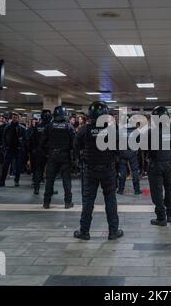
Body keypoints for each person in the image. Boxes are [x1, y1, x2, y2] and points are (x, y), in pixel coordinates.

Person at [73, 101, 123, 240]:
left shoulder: (84, 130)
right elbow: (119, 149)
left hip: (90, 170)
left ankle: (84, 231)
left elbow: (76, 147)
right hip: (108, 170)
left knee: (88, 201)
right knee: (110, 200)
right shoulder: (112, 130)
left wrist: (82, 159)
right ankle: (113, 231)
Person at [147, 106, 171, 226]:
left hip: (156, 165)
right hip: (170, 164)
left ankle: (161, 218)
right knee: (170, 189)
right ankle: (170, 214)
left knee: (157, 192)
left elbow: (148, 150)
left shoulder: (151, 132)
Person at [40, 106, 75, 209]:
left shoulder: (49, 126)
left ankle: (46, 202)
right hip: (65, 156)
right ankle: (68, 202)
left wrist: (47, 153)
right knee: (66, 180)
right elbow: (74, 143)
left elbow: (42, 142)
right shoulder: (69, 127)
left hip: (52, 155)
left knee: (50, 180)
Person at [0, 113, 26, 187]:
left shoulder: (22, 128)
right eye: (13, 117)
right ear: (12, 118)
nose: (14, 119)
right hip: (9, 149)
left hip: (18, 149)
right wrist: (5, 147)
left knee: (18, 166)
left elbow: (25, 139)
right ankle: (2, 181)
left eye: (16, 117)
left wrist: (22, 146)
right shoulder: (7, 127)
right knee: (5, 166)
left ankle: (16, 181)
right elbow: (4, 137)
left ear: (18, 119)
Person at [27, 110, 52, 195]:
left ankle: (36, 189)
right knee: (50, 172)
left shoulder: (37, 127)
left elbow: (31, 139)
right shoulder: (51, 127)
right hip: (48, 152)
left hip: (38, 151)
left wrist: (31, 150)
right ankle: (50, 190)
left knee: (38, 170)